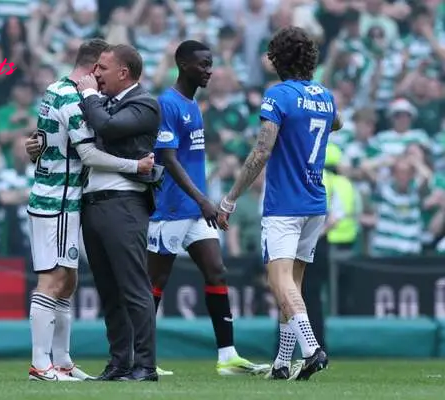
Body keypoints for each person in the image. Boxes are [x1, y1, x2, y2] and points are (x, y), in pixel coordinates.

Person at [24, 39, 155, 382]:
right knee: (52, 280)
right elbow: (89, 154)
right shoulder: (71, 95)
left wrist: (35, 148)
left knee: (68, 280)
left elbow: (45, 141)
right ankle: (41, 363)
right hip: (56, 200)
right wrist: (136, 166)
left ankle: (63, 361)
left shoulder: (55, 90)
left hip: (67, 200)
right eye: (101, 68)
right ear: (94, 66)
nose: (101, 76)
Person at [218, 27, 342, 381]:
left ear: (278, 59)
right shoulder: (324, 95)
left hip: (285, 203)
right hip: (315, 202)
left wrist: (230, 198)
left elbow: (261, 151)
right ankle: (282, 363)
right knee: (294, 285)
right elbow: (337, 122)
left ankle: (312, 349)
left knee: (279, 281)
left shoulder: (278, 96)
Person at [145, 40, 270, 377]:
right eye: (202, 63)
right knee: (155, 282)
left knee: (217, 271)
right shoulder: (167, 104)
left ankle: (227, 356)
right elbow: (167, 158)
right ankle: (139, 356)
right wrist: (202, 199)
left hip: (195, 210)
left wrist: (202, 201)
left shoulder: (193, 104)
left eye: (210, 63)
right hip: (171, 209)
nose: (209, 70)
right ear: (183, 64)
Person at [76, 44, 162, 382]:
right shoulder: (106, 104)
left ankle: (145, 365)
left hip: (124, 202)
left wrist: (88, 96)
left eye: (103, 69)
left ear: (123, 72)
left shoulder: (144, 104)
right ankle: (119, 363)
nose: (95, 75)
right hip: (95, 203)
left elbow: (108, 128)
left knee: (133, 287)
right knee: (109, 291)